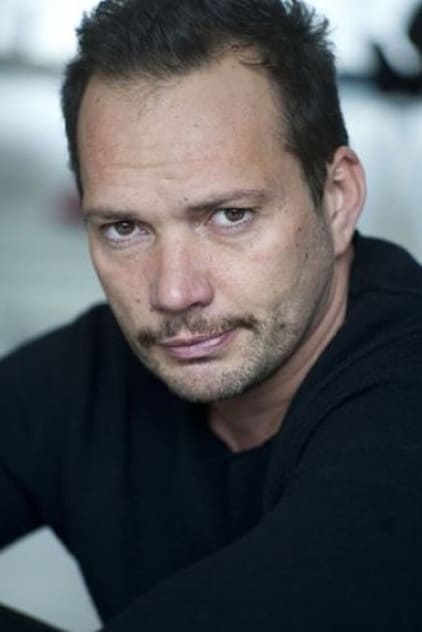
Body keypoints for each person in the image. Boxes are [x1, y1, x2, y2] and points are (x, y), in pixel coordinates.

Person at [1, 0, 422, 630]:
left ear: (337, 199)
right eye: (124, 228)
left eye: (230, 216)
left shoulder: (406, 400)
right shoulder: (90, 373)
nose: (174, 292)